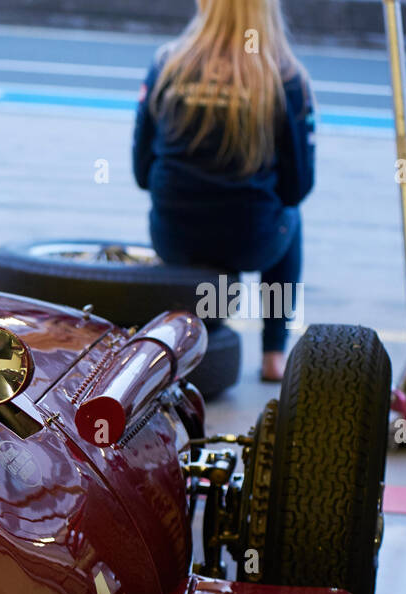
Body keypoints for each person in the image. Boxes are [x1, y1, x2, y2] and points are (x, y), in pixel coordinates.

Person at [132, 0, 315, 382]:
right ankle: (273, 354)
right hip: (250, 241)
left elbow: (142, 171)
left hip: (175, 239)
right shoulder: (285, 78)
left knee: (201, 207)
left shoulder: (168, 64)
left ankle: (184, 314)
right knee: (290, 219)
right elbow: (296, 187)